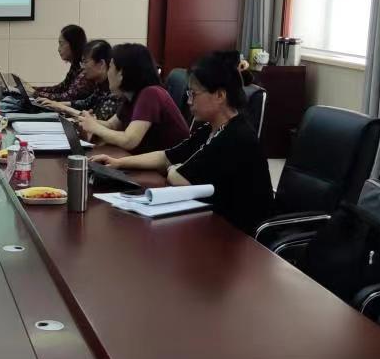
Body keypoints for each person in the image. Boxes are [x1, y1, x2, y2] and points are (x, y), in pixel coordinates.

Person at [91, 51, 273, 234]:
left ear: (219, 95)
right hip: (212, 219)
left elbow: (181, 180)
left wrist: (173, 169)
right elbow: (166, 156)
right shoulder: (211, 128)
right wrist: (118, 162)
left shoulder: (235, 136)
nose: (189, 101)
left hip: (237, 234)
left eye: (194, 94)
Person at [77, 43, 188, 154]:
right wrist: (87, 121)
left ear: (121, 73)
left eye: (110, 67)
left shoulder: (151, 94)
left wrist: (94, 127)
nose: (108, 72)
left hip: (174, 162)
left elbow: (129, 140)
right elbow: (112, 125)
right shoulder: (131, 96)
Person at [35, 39, 123, 121]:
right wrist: (57, 104)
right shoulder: (100, 84)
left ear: (101, 64)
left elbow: (98, 120)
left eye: (85, 62)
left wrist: (63, 108)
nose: (82, 67)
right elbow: (86, 103)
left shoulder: (115, 90)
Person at [30, 25, 96, 103]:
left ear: (73, 44)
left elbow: (67, 97)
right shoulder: (76, 65)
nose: (58, 49)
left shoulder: (84, 68)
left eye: (61, 44)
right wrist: (33, 89)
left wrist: (35, 93)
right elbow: (61, 88)